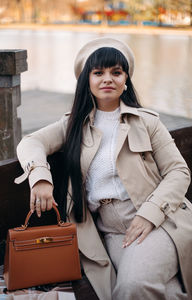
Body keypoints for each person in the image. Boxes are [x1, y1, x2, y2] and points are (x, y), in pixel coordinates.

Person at [15, 38, 192, 300]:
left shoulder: (147, 122)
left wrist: (149, 214)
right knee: (156, 290)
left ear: (126, 79)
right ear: (87, 80)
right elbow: (31, 142)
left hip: (157, 222)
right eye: (98, 73)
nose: (107, 79)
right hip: (108, 232)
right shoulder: (73, 126)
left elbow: (179, 171)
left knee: (132, 287)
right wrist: (41, 178)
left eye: (116, 72)